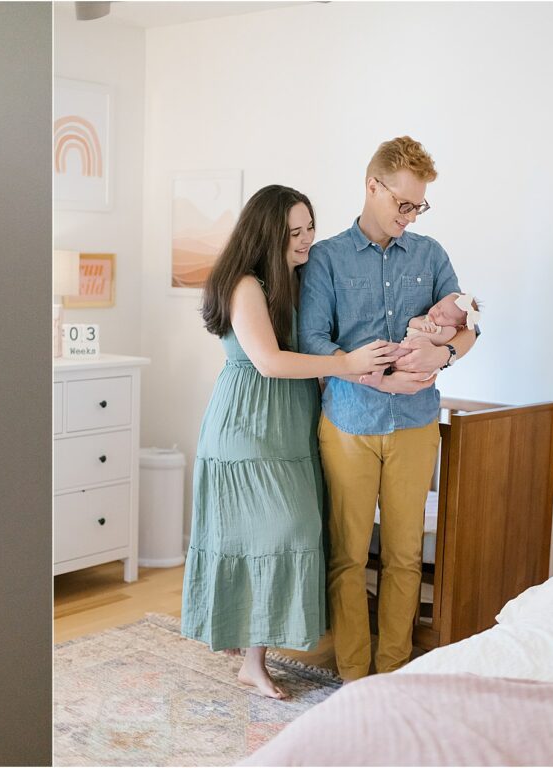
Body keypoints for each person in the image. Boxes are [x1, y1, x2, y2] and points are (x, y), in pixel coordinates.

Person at [180, 185, 399, 699]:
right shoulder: (244, 285)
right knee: (273, 532)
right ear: (267, 234)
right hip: (248, 423)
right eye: (294, 233)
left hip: (291, 421)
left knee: (288, 534)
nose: (306, 241)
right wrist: (347, 364)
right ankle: (251, 659)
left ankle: (250, 654)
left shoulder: (297, 281)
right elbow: (270, 361)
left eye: (309, 229)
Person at [298, 136, 479, 683]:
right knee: (349, 558)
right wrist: (382, 376)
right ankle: (355, 677)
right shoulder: (326, 258)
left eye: (418, 206)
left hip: (417, 425)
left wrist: (442, 352)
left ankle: (393, 675)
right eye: (403, 203)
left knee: (404, 557)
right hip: (349, 423)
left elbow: (470, 325)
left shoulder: (431, 255)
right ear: (372, 186)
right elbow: (312, 343)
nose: (410, 215)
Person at [359, 292, 480, 386]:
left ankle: (379, 378)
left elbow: (441, 340)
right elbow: (412, 322)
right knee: (385, 352)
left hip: (419, 356)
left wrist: (424, 335)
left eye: (444, 315)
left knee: (388, 355)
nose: (437, 312)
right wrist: (420, 325)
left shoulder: (450, 329)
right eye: (438, 306)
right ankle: (377, 376)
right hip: (407, 347)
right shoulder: (428, 318)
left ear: (457, 326)